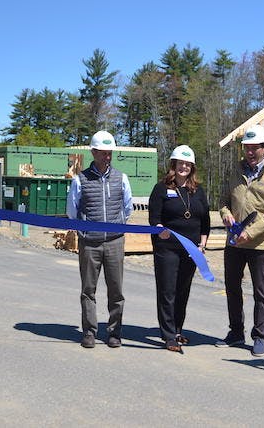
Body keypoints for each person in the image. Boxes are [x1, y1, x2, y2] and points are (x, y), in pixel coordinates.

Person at [216, 125, 264, 357]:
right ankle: (236, 332)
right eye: (247, 147)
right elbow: (223, 200)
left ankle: (259, 335)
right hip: (234, 242)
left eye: (255, 147)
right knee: (232, 289)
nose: (250, 151)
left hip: (259, 245)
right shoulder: (236, 171)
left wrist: (252, 232)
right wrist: (226, 214)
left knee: (260, 292)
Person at [66, 130, 133, 349]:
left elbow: (128, 208)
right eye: (103, 153)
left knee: (116, 290)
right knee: (88, 290)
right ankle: (89, 332)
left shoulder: (121, 178)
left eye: (109, 153)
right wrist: (83, 232)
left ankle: (114, 332)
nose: (107, 157)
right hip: (90, 243)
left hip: (114, 241)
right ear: (93, 152)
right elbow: (71, 211)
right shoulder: (80, 179)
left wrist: (117, 225)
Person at [148, 145, 210, 353]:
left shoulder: (198, 190)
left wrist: (203, 244)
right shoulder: (161, 189)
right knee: (167, 291)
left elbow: (205, 221)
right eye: (180, 163)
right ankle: (167, 335)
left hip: (191, 249)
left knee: (183, 290)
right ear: (173, 165)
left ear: (192, 167)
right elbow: (154, 220)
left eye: (188, 164)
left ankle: (176, 329)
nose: (184, 167)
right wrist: (159, 230)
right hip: (167, 249)